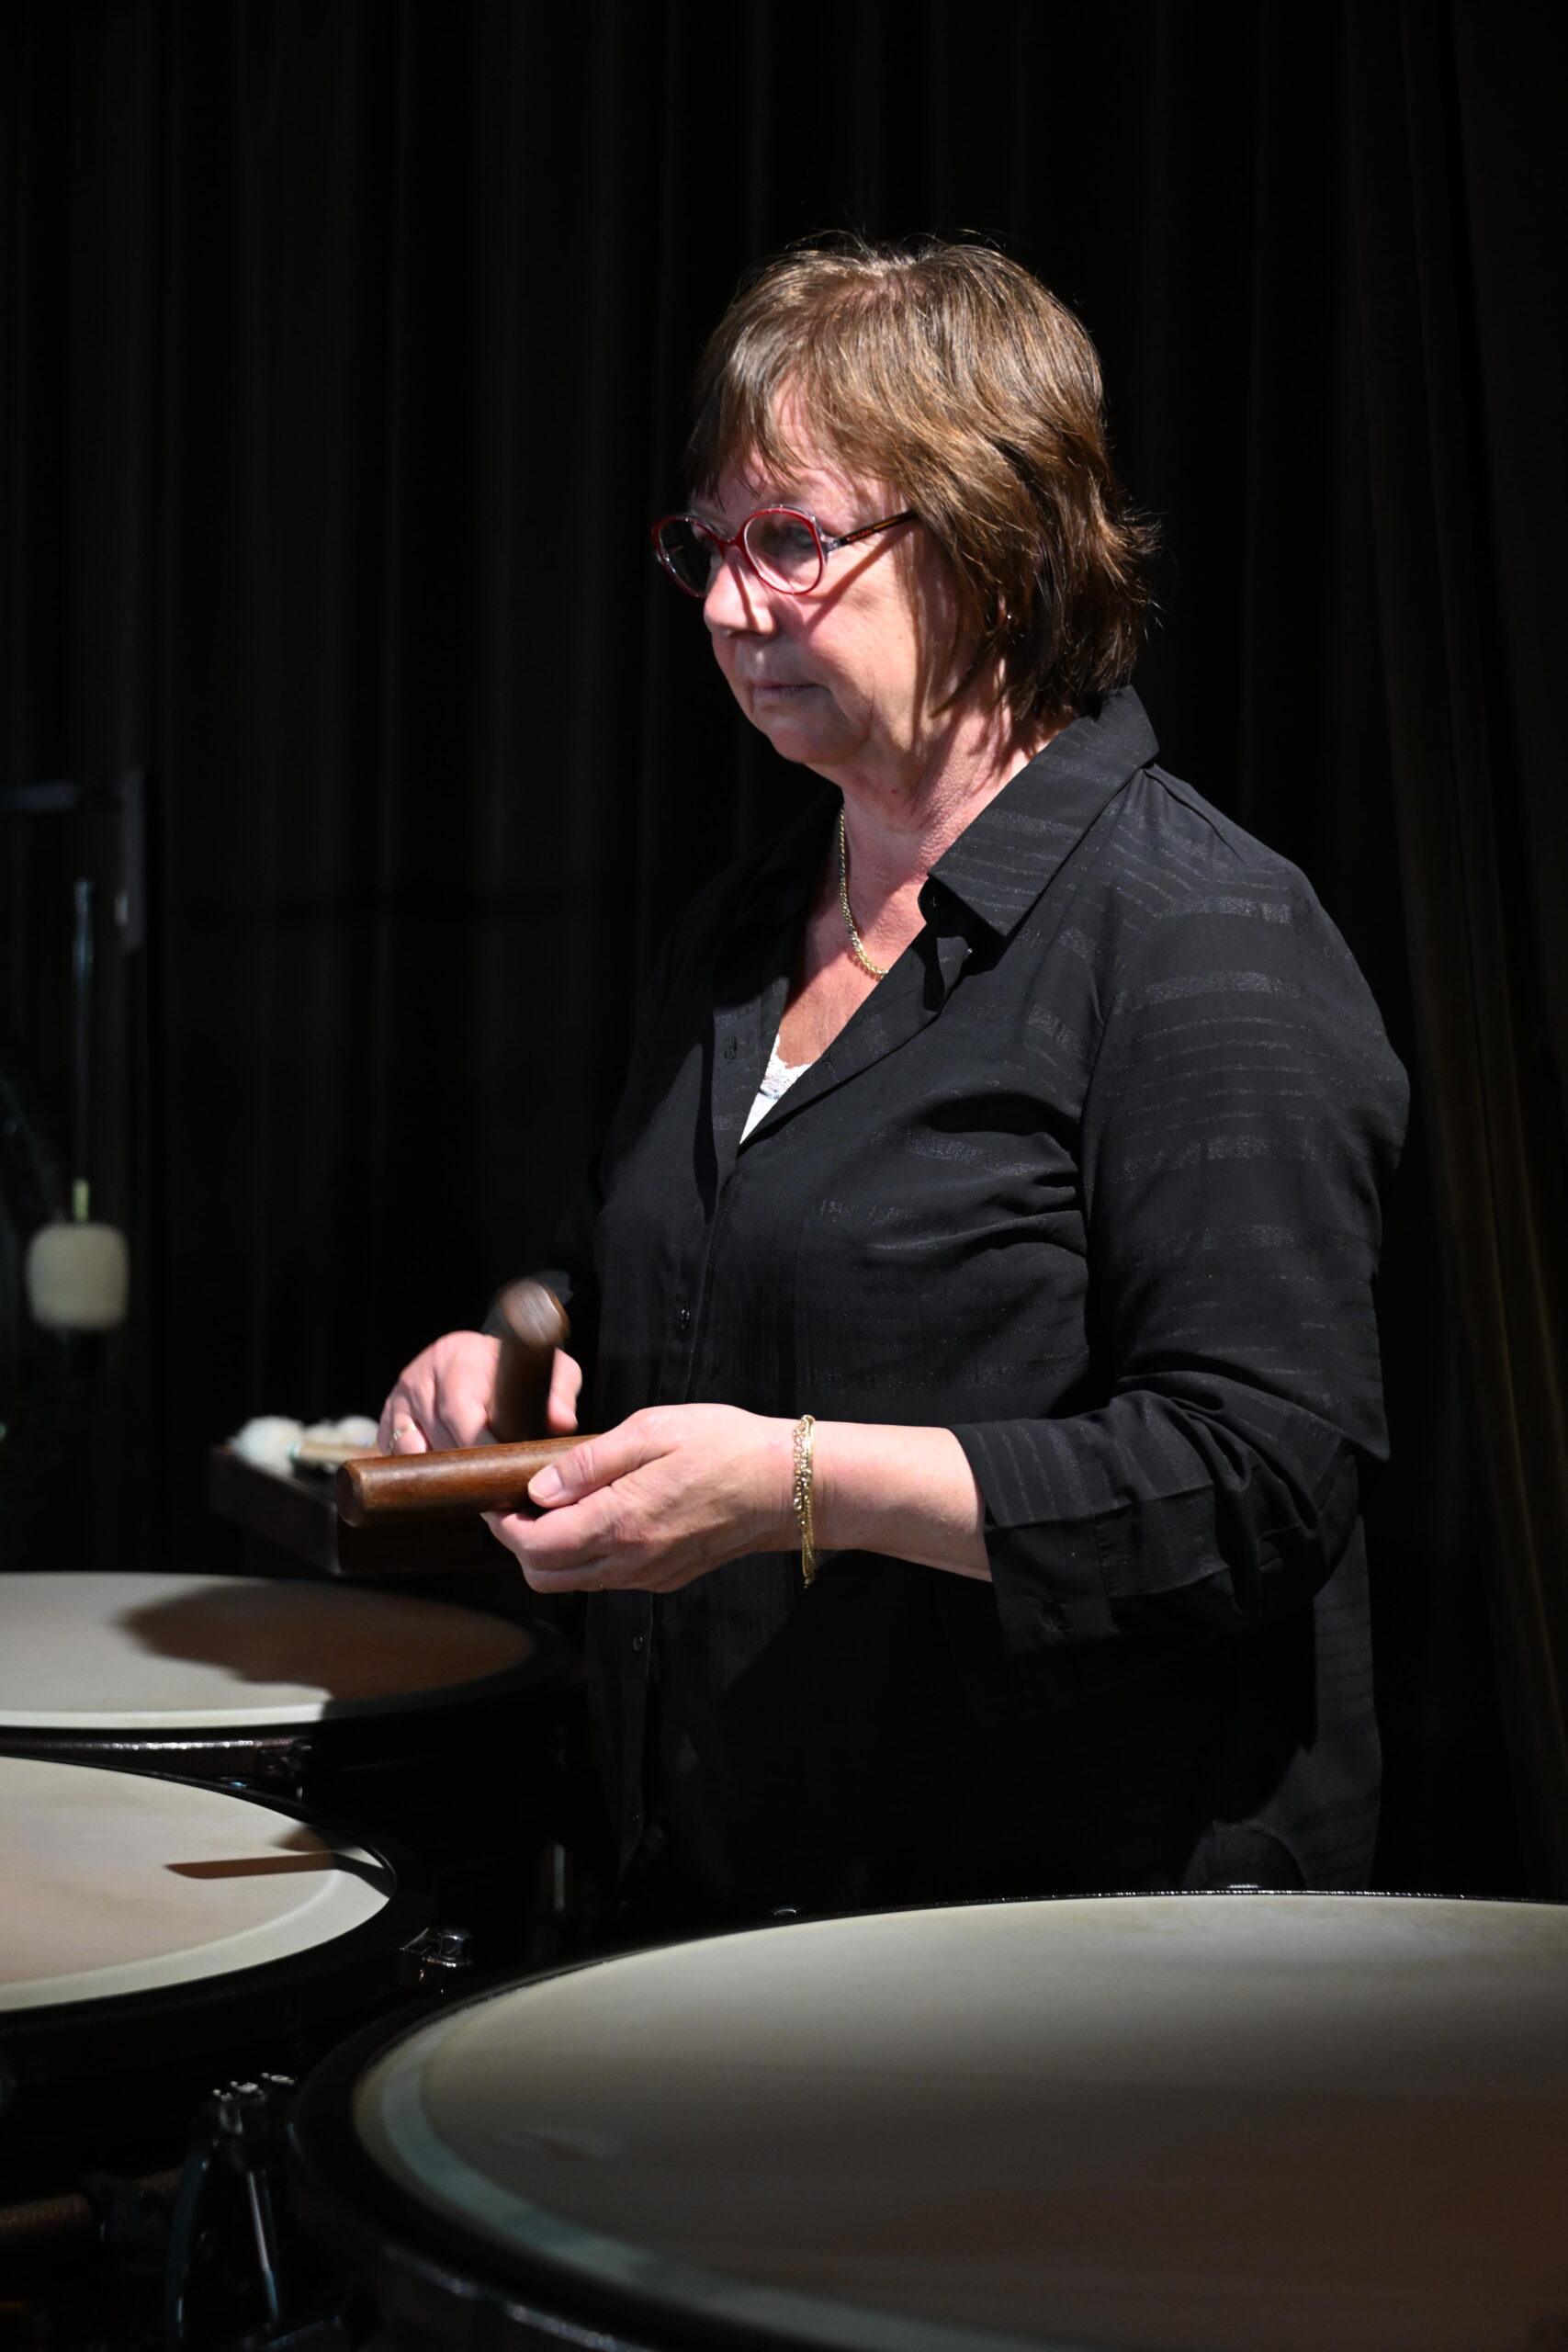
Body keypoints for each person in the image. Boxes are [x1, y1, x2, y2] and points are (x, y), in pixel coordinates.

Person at [380, 238, 1407, 1935]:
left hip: (1055, 1960)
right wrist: (511, 1351)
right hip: (719, 1901)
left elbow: (1260, 1478)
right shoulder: (740, 925)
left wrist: (805, 1484)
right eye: (709, 547)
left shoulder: (1203, 939)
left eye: (791, 542)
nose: (729, 609)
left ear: (997, 550)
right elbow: (627, 1274)